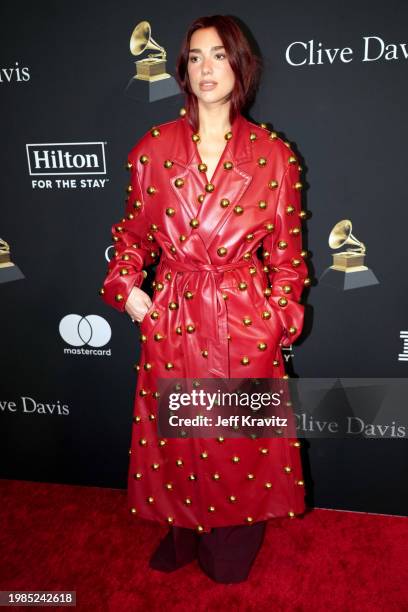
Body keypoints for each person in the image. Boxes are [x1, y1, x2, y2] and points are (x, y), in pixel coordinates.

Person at [100, 14, 310, 583]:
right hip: (175, 312)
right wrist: (128, 288)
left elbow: (289, 260)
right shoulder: (152, 148)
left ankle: (232, 542)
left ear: (240, 66)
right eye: (195, 57)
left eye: (218, 55)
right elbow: (132, 237)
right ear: (182, 69)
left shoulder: (273, 156)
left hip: (243, 315)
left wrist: (278, 316)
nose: (206, 68)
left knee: (238, 440)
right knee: (182, 433)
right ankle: (182, 527)